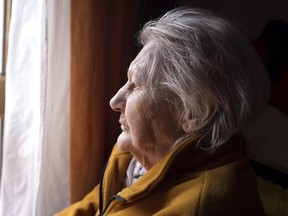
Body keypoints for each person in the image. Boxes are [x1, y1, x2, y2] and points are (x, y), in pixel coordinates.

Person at [56, 7, 269, 216]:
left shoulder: (202, 205)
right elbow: (96, 205)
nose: (115, 101)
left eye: (136, 85)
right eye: (126, 80)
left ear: (194, 112)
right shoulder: (137, 155)